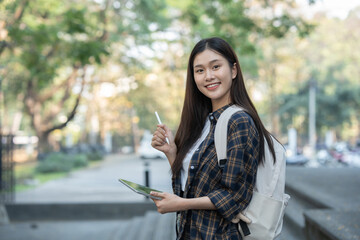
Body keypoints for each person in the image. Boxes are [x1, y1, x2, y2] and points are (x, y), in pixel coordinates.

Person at [151, 37, 277, 240]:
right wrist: (172, 153)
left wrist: (181, 204)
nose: (208, 76)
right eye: (199, 70)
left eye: (215, 67)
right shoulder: (203, 125)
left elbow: (234, 197)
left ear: (233, 70)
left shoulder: (239, 122)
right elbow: (192, 186)